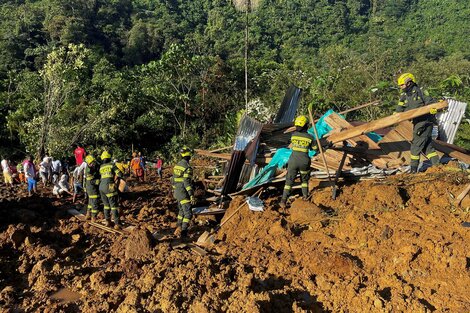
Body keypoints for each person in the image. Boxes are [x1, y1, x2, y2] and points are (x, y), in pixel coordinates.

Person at [396, 73, 440, 173]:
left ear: (409, 83)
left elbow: (431, 103)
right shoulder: (404, 95)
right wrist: (393, 118)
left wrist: (433, 109)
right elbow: (399, 109)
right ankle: (438, 167)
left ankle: (413, 171)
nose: (401, 87)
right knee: (427, 148)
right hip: (416, 122)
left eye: (402, 85)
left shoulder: (420, 92)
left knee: (415, 147)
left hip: (425, 122)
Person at [280, 115, 316, 208]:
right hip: (304, 162)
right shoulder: (310, 137)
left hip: (293, 162)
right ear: (306, 126)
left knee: (289, 181)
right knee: (304, 180)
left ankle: (283, 201)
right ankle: (305, 196)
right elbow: (315, 149)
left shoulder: (293, 136)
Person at [172, 146, 196, 238]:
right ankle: (184, 232)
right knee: (188, 213)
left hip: (177, 192)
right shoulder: (188, 168)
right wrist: (191, 195)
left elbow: (173, 179)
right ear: (189, 156)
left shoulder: (177, 165)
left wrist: (174, 189)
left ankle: (178, 227)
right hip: (183, 192)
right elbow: (187, 182)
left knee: (181, 211)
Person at [99, 151, 123, 229]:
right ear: (109, 158)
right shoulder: (112, 165)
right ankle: (116, 223)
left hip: (101, 187)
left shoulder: (101, 167)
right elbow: (120, 174)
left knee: (106, 206)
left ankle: (107, 221)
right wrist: (116, 180)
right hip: (110, 186)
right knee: (113, 205)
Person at [84, 155, 100, 221]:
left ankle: (88, 214)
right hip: (92, 188)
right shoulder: (88, 171)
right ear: (88, 163)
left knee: (90, 202)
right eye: (92, 163)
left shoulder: (91, 168)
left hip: (89, 187)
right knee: (95, 203)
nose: (94, 164)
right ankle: (94, 217)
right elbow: (92, 181)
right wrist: (99, 181)